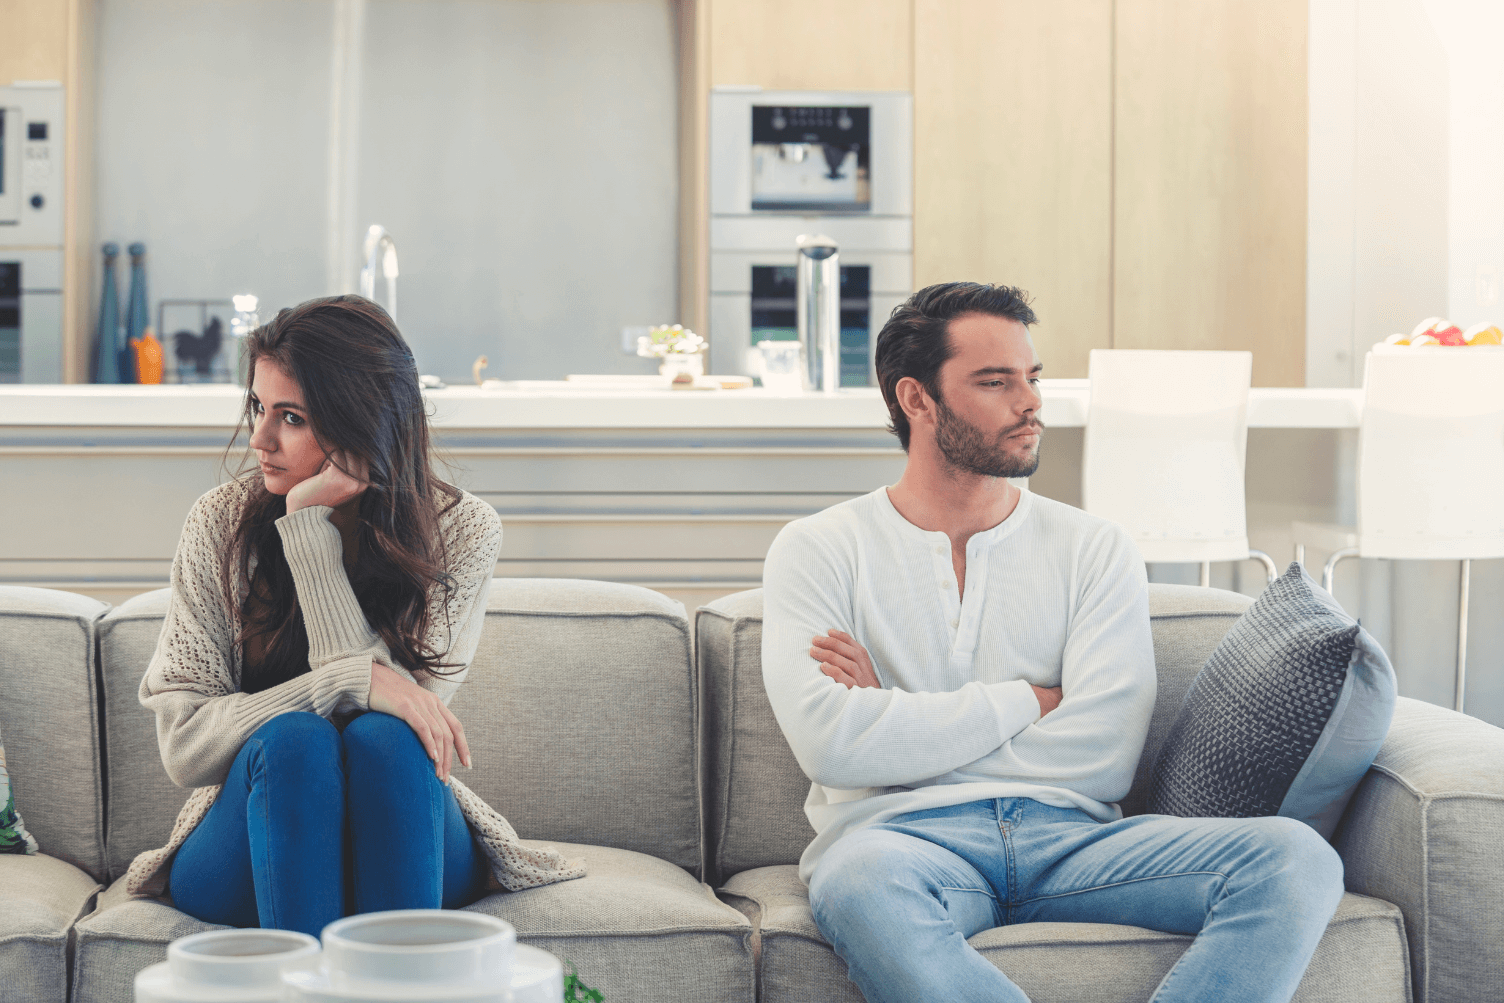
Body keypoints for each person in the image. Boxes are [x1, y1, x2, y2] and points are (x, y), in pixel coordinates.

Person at [760, 282, 1344, 1003]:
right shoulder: (818, 549)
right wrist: (1029, 700)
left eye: (1031, 377)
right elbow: (833, 746)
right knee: (854, 882)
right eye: (995, 381)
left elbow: (1102, 753)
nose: (1030, 402)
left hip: (1076, 842)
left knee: (1297, 857)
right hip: (906, 846)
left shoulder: (1095, 548)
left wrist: (898, 721)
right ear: (916, 399)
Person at [123, 295, 582, 936]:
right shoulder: (220, 523)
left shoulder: (463, 532)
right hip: (252, 834)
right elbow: (186, 747)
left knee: (386, 738)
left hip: (397, 813)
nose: (260, 439)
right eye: (258, 407)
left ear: (360, 424)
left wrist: (309, 531)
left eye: (291, 417)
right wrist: (338, 681)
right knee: (293, 742)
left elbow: (404, 722)